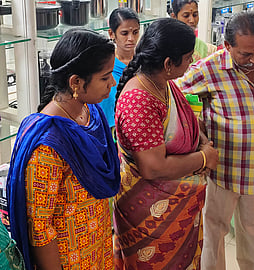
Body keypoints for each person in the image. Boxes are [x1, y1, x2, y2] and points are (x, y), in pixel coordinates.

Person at [7, 28, 120, 270]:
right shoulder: (48, 146)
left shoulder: (92, 113)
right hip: (69, 260)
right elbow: (39, 229)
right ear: (76, 82)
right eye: (105, 77)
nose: (112, 83)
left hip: (98, 248)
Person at [176, 11, 254, 270]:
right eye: (246, 54)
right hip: (222, 172)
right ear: (227, 46)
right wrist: (199, 137)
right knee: (213, 233)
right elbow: (174, 97)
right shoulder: (208, 69)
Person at [113, 18, 218, 269]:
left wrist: (203, 143)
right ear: (169, 63)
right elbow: (152, 167)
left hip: (179, 209)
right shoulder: (139, 100)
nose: (191, 62)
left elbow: (187, 122)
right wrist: (204, 158)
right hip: (149, 214)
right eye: (188, 57)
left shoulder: (163, 84)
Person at [99, 7, 140, 129]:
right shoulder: (106, 65)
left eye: (135, 32)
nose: (131, 39)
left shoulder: (144, 62)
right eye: (124, 33)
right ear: (111, 34)